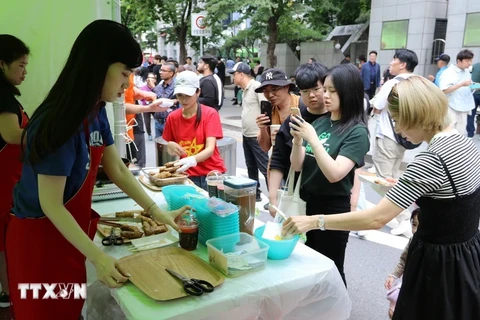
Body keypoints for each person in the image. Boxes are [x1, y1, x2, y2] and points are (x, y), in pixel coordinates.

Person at [6, 20, 189, 319]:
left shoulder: (94, 111)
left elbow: (116, 166)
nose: (127, 84)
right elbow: (50, 204)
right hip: (38, 245)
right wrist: (99, 257)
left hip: (67, 237)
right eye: (125, 73)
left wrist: (156, 212)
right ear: (99, 66)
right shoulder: (58, 123)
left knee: (69, 309)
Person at [283, 76, 480, 320]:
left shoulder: (431, 160)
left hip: (437, 265)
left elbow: (376, 219)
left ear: (416, 115)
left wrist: (314, 221)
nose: (397, 129)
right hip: (467, 255)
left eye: (397, 120)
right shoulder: (465, 143)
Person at [289, 64, 370, 285]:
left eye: (332, 91)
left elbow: (335, 174)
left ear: (348, 92)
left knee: (331, 267)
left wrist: (313, 139)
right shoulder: (323, 122)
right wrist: (297, 140)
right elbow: (297, 166)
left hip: (333, 207)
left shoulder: (357, 131)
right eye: (325, 89)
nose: (325, 95)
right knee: (307, 262)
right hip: (307, 202)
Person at [268, 62, 329, 217]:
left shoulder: (338, 120)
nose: (312, 95)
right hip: (297, 197)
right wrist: (273, 199)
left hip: (330, 202)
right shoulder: (294, 120)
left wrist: (353, 203)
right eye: (305, 91)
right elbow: (278, 160)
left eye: (316, 89)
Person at [0, 34, 30, 308]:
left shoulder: (7, 96)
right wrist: (46, 138)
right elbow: (11, 134)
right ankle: (11, 301)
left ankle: (8, 298)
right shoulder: (2, 96)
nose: (25, 71)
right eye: (20, 65)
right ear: (1, 64)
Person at [162, 71, 226, 190]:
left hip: (210, 175)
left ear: (198, 92)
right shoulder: (172, 117)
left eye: (188, 95)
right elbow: (172, 149)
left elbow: (210, 149)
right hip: (186, 175)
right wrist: (170, 146)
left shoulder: (210, 114)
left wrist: (192, 160)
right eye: (180, 95)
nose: (184, 100)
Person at [228, 62, 269, 202]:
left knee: (265, 167)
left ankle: (274, 198)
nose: (232, 77)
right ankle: (255, 193)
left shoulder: (256, 87)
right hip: (246, 134)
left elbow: (266, 109)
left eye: (234, 74)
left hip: (257, 135)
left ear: (241, 74)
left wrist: (263, 131)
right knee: (251, 166)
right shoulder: (245, 89)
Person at [385, 207, 421, 319]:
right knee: (393, 311)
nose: (415, 230)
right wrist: (394, 275)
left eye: (420, 226)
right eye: (414, 225)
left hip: (421, 288)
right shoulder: (413, 241)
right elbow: (403, 260)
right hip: (408, 284)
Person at [440, 49, 475, 136]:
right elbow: (444, 90)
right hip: (452, 106)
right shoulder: (449, 72)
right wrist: (461, 84)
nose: (469, 63)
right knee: (449, 132)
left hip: (464, 106)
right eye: (467, 61)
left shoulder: (466, 71)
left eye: (470, 60)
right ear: (459, 61)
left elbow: (468, 84)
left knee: (460, 132)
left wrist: (474, 85)